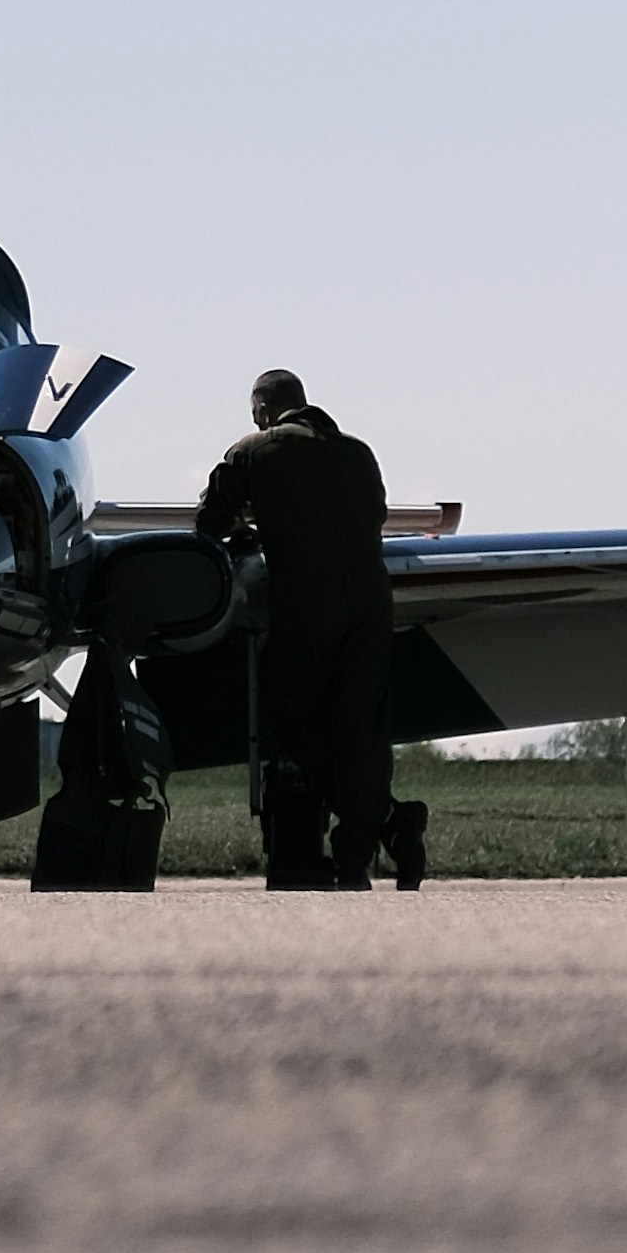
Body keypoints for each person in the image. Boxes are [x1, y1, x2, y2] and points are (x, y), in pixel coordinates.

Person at [194, 369, 400, 884]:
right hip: (373, 605)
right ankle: (363, 851)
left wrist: (248, 527)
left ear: (264, 408)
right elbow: (375, 514)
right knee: (361, 732)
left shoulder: (256, 451)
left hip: (307, 606)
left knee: (301, 725)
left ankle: (309, 850)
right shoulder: (358, 453)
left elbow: (209, 521)